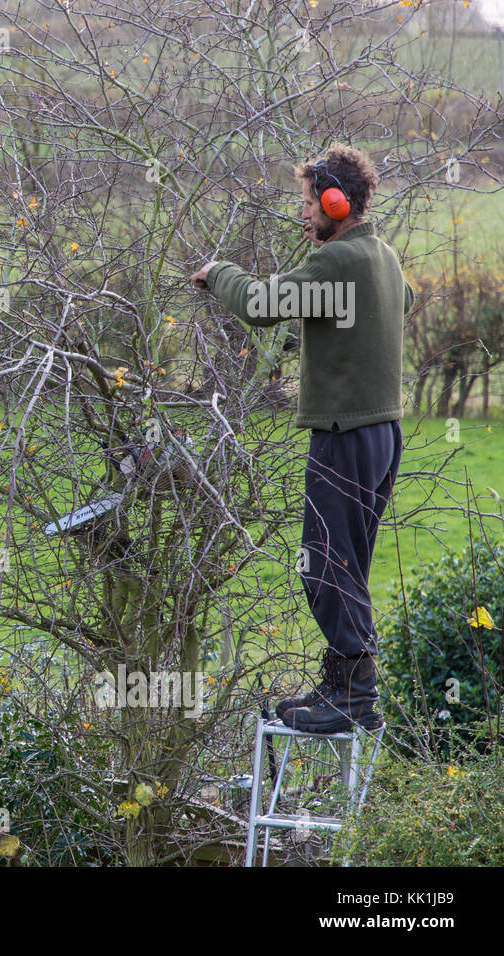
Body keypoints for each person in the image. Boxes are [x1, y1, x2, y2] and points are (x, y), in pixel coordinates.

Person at [190, 143, 412, 733]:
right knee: (346, 568)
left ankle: (354, 696)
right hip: (382, 435)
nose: (305, 213)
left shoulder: (339, 263)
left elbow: (262, 304)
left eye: (310, 202)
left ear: (336, 203)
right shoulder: (383, 257)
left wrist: (219, 275)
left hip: (345, 435)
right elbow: (401, 302)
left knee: (322, 567)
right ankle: (341, 686)